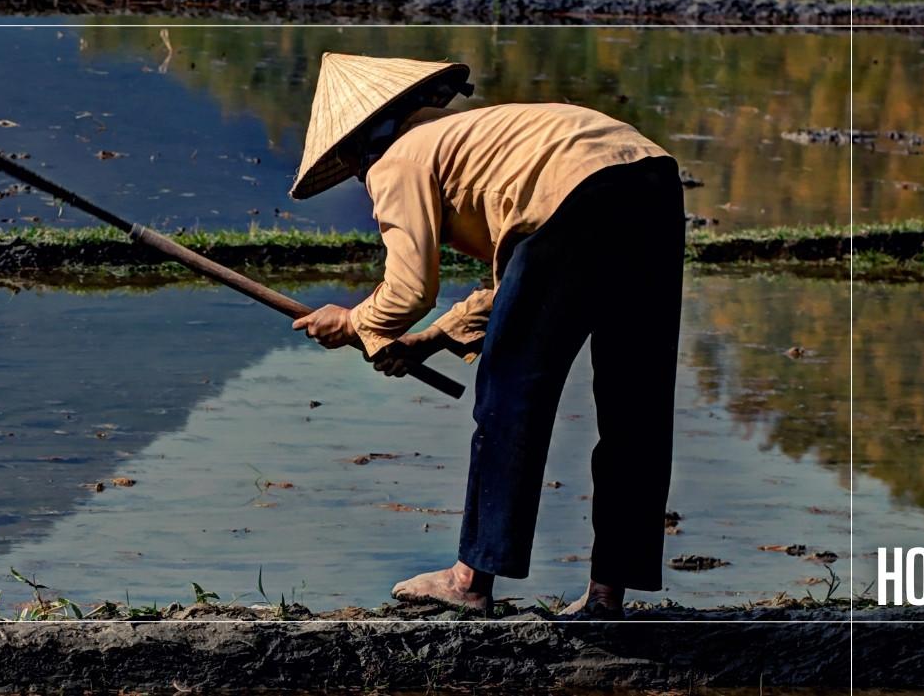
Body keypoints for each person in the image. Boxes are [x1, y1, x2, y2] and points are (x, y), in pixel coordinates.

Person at [286, 53, 683, 619]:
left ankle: (469, 580)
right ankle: (606, 593)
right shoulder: (474, 139)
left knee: (509, 399)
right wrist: (429, 341)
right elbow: (524, 279)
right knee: (635, 402)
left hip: (579, 197)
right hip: (650, 178)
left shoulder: (398, 160)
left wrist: (351, 321)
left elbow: (408, 291)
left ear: (353, 149)